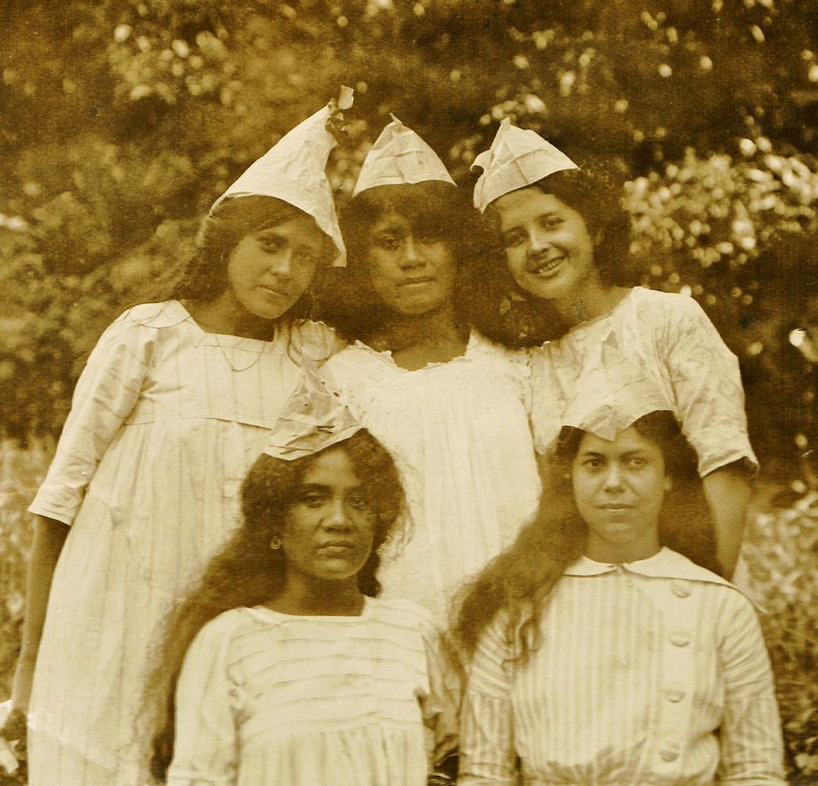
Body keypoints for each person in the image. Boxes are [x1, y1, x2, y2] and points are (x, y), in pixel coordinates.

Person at [0, 91, 352, 785]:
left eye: (305, 257)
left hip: (233, 623)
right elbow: (59, 500)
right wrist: (29, 664)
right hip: (111, 616)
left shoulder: (308, 358)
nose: (283, 269)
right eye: (269, 244)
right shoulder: (150, 334)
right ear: (227, 241)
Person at [471, 119, 756, 578]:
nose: (537, 246)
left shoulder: (666, 320)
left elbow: (723, 464)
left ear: (596, 229)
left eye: (551, 222)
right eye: (514, 237)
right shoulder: (523, 360)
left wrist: (707, 597)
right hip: (574, 598)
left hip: (683, 582)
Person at [147, 375, 459, 786]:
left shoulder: (412, 632)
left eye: (359, 502)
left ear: (377, 521)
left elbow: (460, 762)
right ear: (274, 522)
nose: (339, 521)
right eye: (313, 499)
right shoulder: (229, 642)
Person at [453, 410, 786, 786]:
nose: (613, 483)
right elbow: (484, 774)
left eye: (636, 462)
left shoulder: (719, 606)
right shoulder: (518, 609)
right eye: (594, 464)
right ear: (571, 478)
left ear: (668, 478)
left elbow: (756, 770)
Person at [317, 116, 541, 619]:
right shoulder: (343, 382)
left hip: (523, 616)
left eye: (431, 238)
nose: (413, 258)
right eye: (390, 242)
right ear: (363, 258)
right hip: (396, 623)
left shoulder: (516, 364)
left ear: (459, 250)